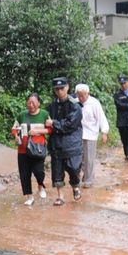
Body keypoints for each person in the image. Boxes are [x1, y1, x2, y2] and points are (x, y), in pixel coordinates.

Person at [45, 76, 83, 205]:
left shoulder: (75, 106)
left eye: (61, 88)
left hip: (72, 144)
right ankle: (60, 196)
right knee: (57, 171)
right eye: (57, 89)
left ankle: (75, 186)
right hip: (56, 144)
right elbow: (45, 122)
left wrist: (53, 123)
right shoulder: (51, 106)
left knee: (73, 168)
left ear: (67, 87)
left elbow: (70, 124)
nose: (59, 91)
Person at [11, 92, 50, 205]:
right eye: (29, 102)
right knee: (24, 173)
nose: (31, 105)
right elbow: (14, 128)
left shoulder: (44, 114)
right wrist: (16, 136)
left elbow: (50, 129)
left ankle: (40, 185)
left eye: (33, 102)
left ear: (38, 103)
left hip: (38, 148)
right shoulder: (22, 115)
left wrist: (38, 131)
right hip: (23, 149)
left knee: (39, 171)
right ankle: (29, 197)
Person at [75, 84, 109, 187]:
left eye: (83, 95)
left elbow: (101, 117)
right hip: (77, 134)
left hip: (90, 134)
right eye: (79, 95)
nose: (81, 98)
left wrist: (104, 132)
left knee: (89, 159)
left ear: (87, 94)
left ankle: (89, 180)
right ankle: (77, 178)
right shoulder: (75, 103)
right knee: (78, 158)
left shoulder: (94, 103)